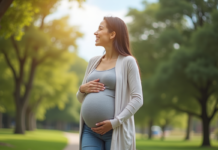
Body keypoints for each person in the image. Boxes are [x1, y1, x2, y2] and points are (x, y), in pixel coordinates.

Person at [76, 16, 143, 150]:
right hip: (90, 131)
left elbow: (138, 99)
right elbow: (80, 98)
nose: (95, 33)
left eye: (100, 29)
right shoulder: (93, 61)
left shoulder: (128, 62)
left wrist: (114, 123)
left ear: (112, 34)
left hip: (115, 131)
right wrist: (82, 89)